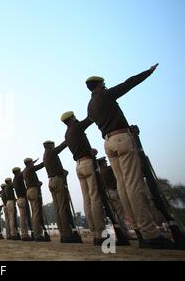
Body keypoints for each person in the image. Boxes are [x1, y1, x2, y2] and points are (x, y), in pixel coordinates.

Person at [86, 64, 173, 249]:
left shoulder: (90, 107)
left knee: (123, 186)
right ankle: (150, 233)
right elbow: (129, 83)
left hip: (108, 142)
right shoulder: (105, 95)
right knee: (134, 185)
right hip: (121, 138)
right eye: (103, 84)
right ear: (100, 85)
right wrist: (147, 72)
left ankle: (139, 229)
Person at [61, 111, 106, 245]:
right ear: (72, 118)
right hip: (87, 163)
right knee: (95, 197)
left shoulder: (67, 134)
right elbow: (90, 118)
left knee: (87, 199)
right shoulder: (76, 127)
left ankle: (95, 232)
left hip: (79, 166)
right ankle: (101, 232)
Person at [43, 140, 81, 243]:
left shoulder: (45, 156)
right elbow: (61, 147)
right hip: (57, 180)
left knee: (58, 208)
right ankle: (68, 234)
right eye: (52, 145)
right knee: (63, 206)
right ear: (49, 146)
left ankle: (63, 233)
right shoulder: (50, 152)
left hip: (51, 181)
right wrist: (68, 139)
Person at [22, 158, 48, 241]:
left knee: (34, 213)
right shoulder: (30, 168)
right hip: (33, 190)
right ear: (29, 163)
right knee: (36, 212)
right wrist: (47, 160)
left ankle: (37, 233)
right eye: (32, 163)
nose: (33, 164)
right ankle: (38, 234)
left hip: (29, 191)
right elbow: (40, 166)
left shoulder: (25, 171)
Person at [12, 167, 31, 241]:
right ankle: (24, 235)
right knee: (24, 218)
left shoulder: (14, 179)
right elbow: (22, 173)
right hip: (22, 198)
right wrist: (27, 167)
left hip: (19, 199)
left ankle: (23, 234)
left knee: (23, 218)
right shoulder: (18, 177)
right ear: (17, 172)